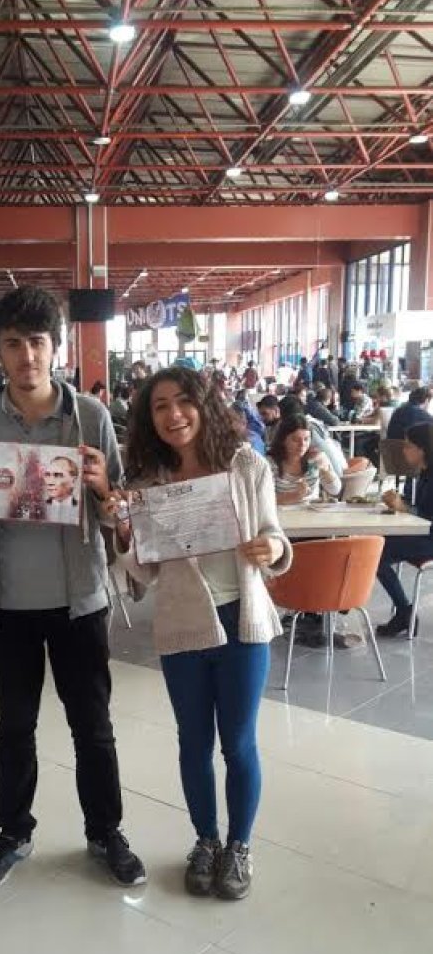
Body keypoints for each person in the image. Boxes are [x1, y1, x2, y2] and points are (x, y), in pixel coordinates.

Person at [0, 285, 145, 891]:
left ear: (56, 346)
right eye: (13, 344)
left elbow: (120, 511)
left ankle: (105, 831)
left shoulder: (91, 417)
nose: (26, 355)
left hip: (79, 599)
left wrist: (104, 489)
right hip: (6, 604)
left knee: (93, 727)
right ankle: (13, 832)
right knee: (15, 727)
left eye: (36, 341)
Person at [108, 367, 291, 899]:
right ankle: (206, 841)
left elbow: (275, 535)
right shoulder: (148, 484)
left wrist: (273, 548)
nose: (174, 415)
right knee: (193, 742)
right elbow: (146, 572)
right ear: (149, 418)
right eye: (160, 406)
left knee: (238, 742)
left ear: (204, 404)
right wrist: (125, 534)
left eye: (184, 401)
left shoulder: (246, 465)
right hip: (183, 624)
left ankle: (240, 846)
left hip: (242, 622)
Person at [375, 422, 433, 637]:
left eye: (408, 446)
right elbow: (416, 506)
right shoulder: (420, 473)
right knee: (376, 544)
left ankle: (404, 612)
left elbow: (427, 516)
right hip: (422, 534)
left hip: (429, 538)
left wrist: (405, 508)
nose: (403, 450)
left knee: (375, 552)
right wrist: (399, 502)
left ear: (422, 449)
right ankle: (404, 612)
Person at [268, 414, 342, 503]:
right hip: (281, 511)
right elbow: (265, 499)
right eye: (295, 440)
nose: (302, 444)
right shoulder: (270, 463)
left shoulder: (315, 457)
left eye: (306, 439)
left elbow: (335, 490)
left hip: (312, 510)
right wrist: (296, 495)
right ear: (283, 440)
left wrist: (326, 471)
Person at [43, 454, 81, 523]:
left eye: (57, 475)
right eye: (47, 475)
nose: (50, 482)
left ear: (73, 481)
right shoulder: (39, 509)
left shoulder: (82, 510)